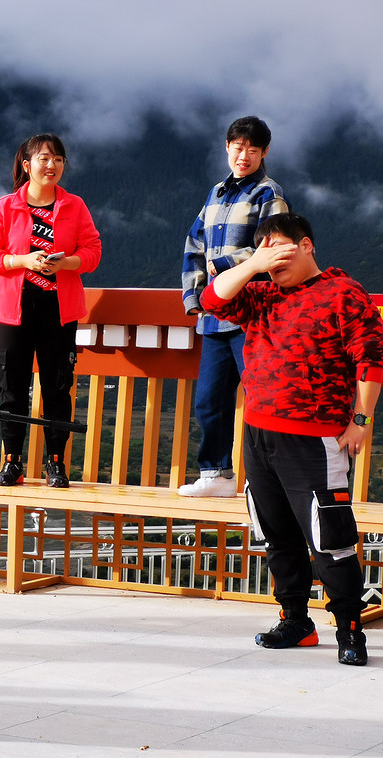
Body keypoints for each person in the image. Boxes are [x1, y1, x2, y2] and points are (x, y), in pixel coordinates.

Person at [202, 212, 379, 666]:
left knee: (331, 538)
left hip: (315, 439)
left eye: (281, 248)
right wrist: (253, 265)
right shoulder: (259, 294)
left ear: (306, 246)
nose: (273, 258)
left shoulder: (344, 294)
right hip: (259, 431)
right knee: (275, 534)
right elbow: (212, 300)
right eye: (264, 250)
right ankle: (296, 622)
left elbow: (372, 359)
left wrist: (361, 419)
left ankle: (350, 631)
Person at [0, 133, 101, 488]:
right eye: (44, 159)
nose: (52, 166)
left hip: (59, 310)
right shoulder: (5, 206)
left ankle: (55, 463)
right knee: (12, 387)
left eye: (58, 159)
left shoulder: (75, 206)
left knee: (58, 387)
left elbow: (93, 252)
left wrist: (66, 264)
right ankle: (11, 461)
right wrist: (22, 260)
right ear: (27, 165)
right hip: (14, 310)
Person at [179, 116, 289, 497]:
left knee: (263, 399)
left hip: (252, 316)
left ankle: (266, 480)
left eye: (253, 150)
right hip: (213, 316)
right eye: (238, 148)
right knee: (210, 400)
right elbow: (194, 245)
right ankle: (216, 475)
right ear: (227, 146)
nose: (244, 156)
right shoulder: (216, 193)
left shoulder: (268, 194)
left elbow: (274, 245)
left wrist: (224, 265)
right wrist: (193, 297)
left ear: (264, 153)